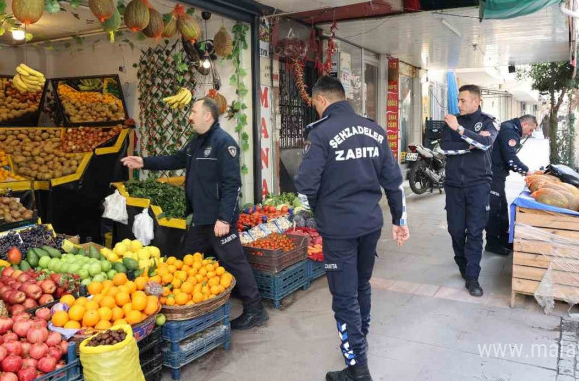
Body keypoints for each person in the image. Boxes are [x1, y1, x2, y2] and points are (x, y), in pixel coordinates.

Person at [295, 76, 409, 381]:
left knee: (344, 297)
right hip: (370, 224)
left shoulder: (320, 133)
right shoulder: (374, 129)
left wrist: (311, 215)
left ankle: (359, 370)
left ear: (321, 101)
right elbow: (394, 182)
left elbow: (305, 186)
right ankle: (360, 346)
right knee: (361, 286)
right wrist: (400, 220)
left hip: (339, 229)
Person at [120, 98, 268, 330]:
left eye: (194, 111)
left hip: (219, 221)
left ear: (207, 116)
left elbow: (232, 185)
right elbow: (176, 159)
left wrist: (223, 219)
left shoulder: (224, 143)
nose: (190, 115)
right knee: (185, 261)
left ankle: (255, 309)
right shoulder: (197, 142)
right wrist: (144, 162)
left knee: (235, 262)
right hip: (200, 219)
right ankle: (186, 307)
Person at [439, 85, 498, 297]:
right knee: (455, 230)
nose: (459, 104)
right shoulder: (452, 120)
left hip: (478, 185)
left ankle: (473, 277)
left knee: (474, 231)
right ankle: (462, 263)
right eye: (459, 100)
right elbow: (444, 148)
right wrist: (468, 143)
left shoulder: (489, 122)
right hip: (454, 185)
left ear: (476, 101)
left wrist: (461, 131)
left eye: (463, 100)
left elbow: (484, 144)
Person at [485, 115, 538, 256]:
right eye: (530, 129)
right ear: (525, 124)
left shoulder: (510, 127)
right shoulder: (510, 131)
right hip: (492, 174)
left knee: (502, 208)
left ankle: (503, 239)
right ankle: (492, 243)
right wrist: (527, 171)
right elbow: (510, 158)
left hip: (498, 173)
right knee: (494, 210)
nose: (529, 133)